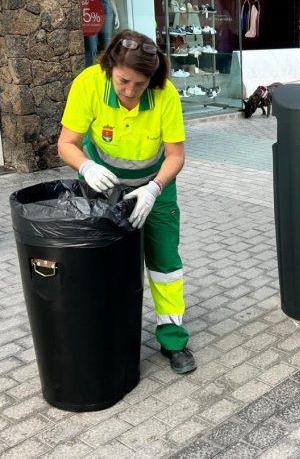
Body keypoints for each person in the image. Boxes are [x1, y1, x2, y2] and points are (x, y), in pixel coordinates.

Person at [57, 30, 196, 375]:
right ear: (109, 68)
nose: (131, 91)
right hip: (102, 187)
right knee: (101, 263)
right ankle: (103, 332)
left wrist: (154, 188)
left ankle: (173, 340)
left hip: (154, 187)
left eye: (140, 84)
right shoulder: (89, 83)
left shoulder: (165, 94)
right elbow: (67, 143)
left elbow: (176, 155)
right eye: (123, 81)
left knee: (165, 264)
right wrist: (86, 167)